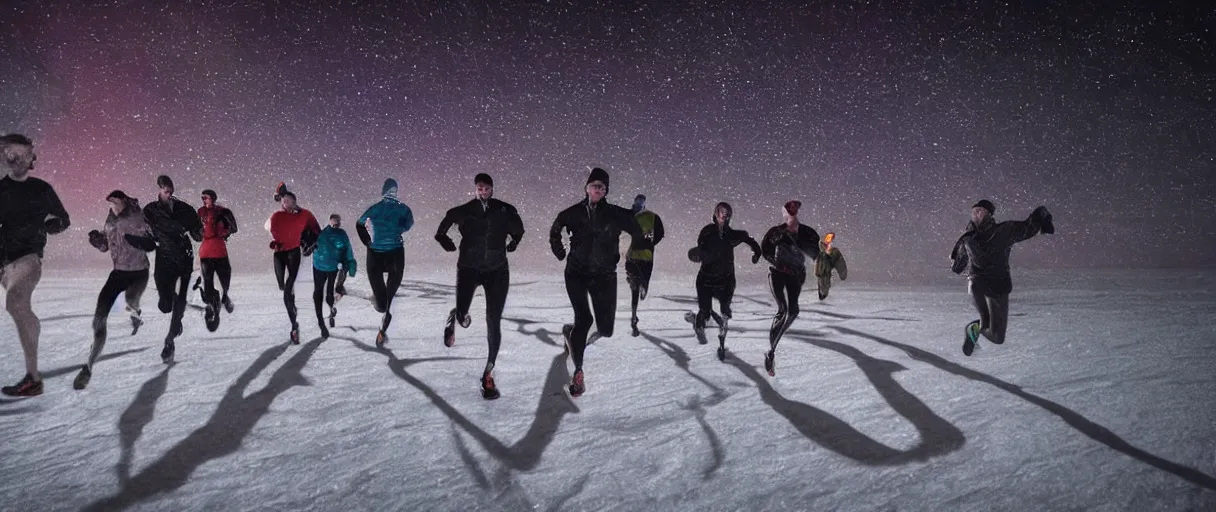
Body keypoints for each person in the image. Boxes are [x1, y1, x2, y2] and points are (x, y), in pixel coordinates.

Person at [549, 167, 642, 397]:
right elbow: (556, 229)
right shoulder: (572, 213)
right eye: (594, 185)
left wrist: (634, 256)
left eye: (602, 186)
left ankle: (572, 337)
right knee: (584, 318)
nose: (597, 189)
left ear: (606, 191)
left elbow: (639, 232)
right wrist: (559, 250)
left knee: (607, 329)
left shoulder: (615, 214)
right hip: (576, 273)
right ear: (587, 188)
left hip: (605, 276)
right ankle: (578, 372)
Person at [434, 173, 525, 400]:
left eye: (486, 189)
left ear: (492, 189)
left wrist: (514, 242)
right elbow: (441, 229)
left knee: (493, 320)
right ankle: (457, 316)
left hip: (497, 271)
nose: (483, 192)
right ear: (475, 189)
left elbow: (519, 229)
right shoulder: (464, 210)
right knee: (464, 315)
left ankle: (488, 374)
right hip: (469, 269)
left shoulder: (505, 210)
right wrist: (445, 242)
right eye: (479, 189)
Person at [0, 134, 70, 396]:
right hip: (3, 260)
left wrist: (54, 224)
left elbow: (63, 218)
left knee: (16, 302)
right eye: (8, 153)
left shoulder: (41, 189)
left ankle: (33, 378)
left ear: (31, 158)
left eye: (19, 153)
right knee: (20, 307)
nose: (13, 158)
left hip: (28, 258)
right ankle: (31, 324)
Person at [950, 199, 1054, 356]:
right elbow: (958, 266)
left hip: (999, 285)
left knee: (998, 337)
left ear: (989, 213)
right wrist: (955, 262)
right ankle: (981, 323)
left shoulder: (1005, 230)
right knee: (985, 317)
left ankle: (974, 328)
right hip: (977, 282)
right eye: (973, 211)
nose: (975, 213)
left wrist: (1041, 214)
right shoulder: (967, 238)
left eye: (980, 210)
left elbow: (1028, 228)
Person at [75, 191, 153, 389]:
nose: (113, 206)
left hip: (139, 272)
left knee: (130, 301)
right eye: (110, 203)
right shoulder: (110, 219)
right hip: (118, 273)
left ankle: (135, 312)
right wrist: (97, 240)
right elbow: (106, 246)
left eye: (116, 202)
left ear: (125, 202)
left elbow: (153, 238)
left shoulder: (138, 215)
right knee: (98, 319)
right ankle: (88, 367)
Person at [138, 175, 202, 364]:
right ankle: (174, 310)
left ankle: (170, 340)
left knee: (180, 298)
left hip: (184, 255)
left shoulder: (185, 209)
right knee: (165, 304)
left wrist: (203, 231)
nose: (169, 192)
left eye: (171, 189)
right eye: (165, 189)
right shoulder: (150, 210)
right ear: (159, 189)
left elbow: (197, 235)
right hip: (164, 256)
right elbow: (143, 232)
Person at [688, 202, 761, 361]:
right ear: (715, 213)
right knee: (705, 311)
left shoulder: (732, 234)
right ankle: (699, 324)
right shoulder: (707, 231)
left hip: (726, 280)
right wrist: (697, 255)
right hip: (706, 279)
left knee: (725, 310)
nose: (724, 216)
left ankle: (721, 342)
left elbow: (750, 241)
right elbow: (700, 249)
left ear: (730, 216)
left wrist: (757, 253)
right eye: (721, 212)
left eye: (727, 213)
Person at [759, 200, 820, 376]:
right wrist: (778, 263)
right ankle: (771, 352)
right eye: (789, 207)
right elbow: (765, 250)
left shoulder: (808, 232)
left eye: (796, 207)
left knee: (793, 312)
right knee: (782, 309)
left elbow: (815, 253)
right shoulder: (775, 231)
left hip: (796, 276)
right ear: (784, 211)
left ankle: (771, 349)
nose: (793, 210)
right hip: (777, 273)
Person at [356, 178, 414, 347]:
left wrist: (367, 240)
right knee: (390, 297)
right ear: (396, 191)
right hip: (395, 253)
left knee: (382, 303)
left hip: (375, 254)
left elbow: (359, 224)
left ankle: (382, 312)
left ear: (383, 190)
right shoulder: (404, 209)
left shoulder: (374, 208)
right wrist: (399, 230)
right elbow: (409, 223)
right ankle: (385, 316)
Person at [266, 183, 321, 344]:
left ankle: (294, 326)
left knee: (288, 287)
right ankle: (292, 305)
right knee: (283, 286)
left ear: (294, 201)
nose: (285, 203)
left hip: (294, 253)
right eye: (283, 201)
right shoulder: (276, 215)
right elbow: (271, 230)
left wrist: (311, 242)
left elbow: (317, 230)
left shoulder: (304, 215)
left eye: (288, 200)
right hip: (279, 255)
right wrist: (274, 243)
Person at [197, 189, 238, 330]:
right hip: (206, 253)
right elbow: (195, 230)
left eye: (206, 197)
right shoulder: (200, 212)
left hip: (220, 251)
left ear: (213, 198)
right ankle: (213, 307)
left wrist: (224, 231)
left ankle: (225, 298)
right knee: (208, 283)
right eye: (202, 197)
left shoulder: (223, 211)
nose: (204, 199)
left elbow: (233, 228)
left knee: (225, 280)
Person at [311, 214, 356, 339]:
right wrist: (349, 262)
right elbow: (347, 250)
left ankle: (328, 313)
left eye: (337, 222)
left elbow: (347, 250)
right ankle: (324, 318)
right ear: (330, 221)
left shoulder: (338, 235)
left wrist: (349, 262)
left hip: (328, 267)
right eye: (334, 222)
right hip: (323, 266)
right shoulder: (324, 234)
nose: (336, 224)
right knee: (321, 292)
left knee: (326, 291)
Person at [624, 194, 664, 337]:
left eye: (641, 201)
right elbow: (660, 233)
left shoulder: (648, 216)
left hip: (639, 255)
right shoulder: (638, 216)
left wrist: (649, 242)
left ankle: (634, 315)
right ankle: (634, 317)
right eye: (638, 201)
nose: (639, 203)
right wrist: (650, 243)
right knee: (638, 287)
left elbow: (660, 233)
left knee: (639, 287)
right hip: (640, 256)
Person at [814, 232, 848, 300]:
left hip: (827, 273)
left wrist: (842, 273)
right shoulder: (818, 248)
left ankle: (823, 297)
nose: (828, 239)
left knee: (825, 288)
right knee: (821, 285)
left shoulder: (834, 251)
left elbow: (840, 262)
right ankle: (821, 296)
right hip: (820, 273)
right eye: (828, 237)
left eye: (830, 238)